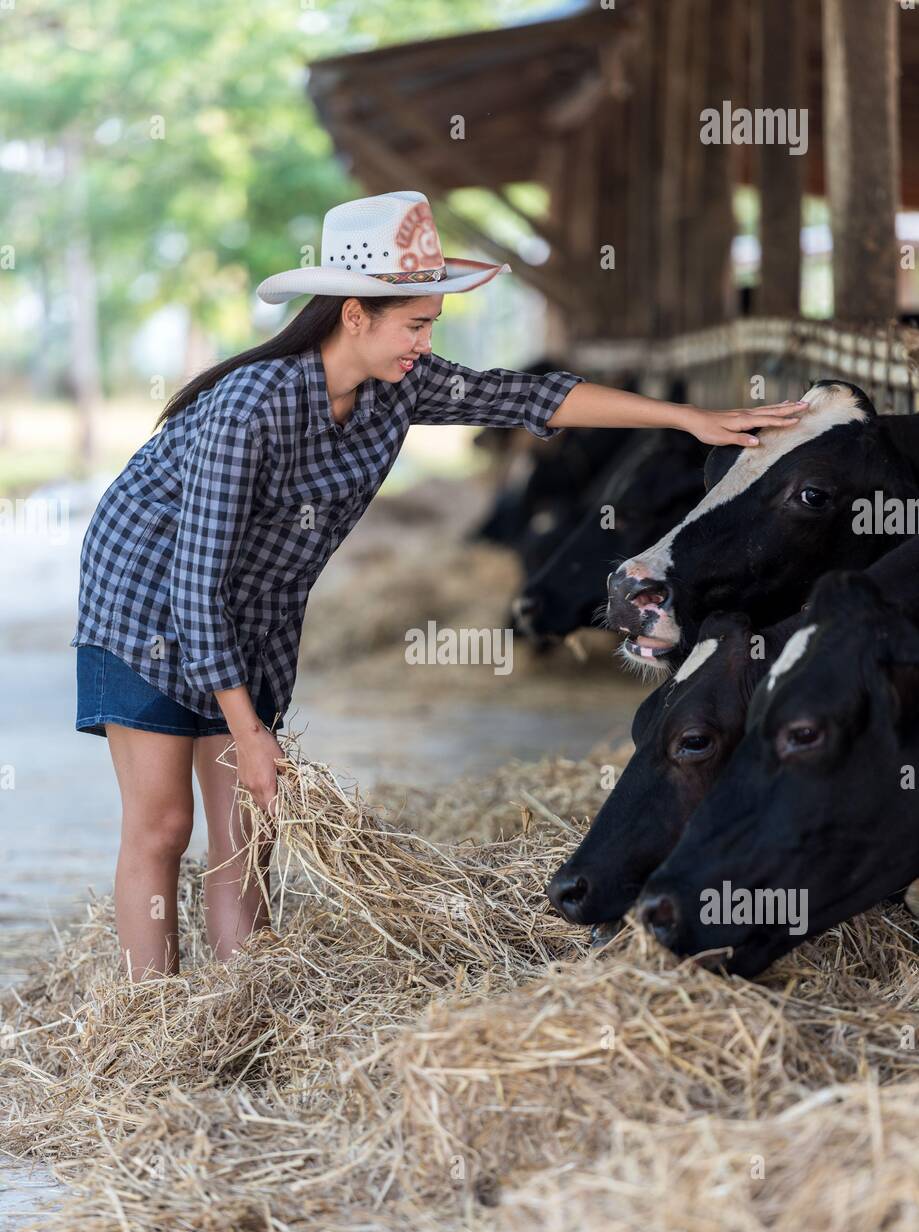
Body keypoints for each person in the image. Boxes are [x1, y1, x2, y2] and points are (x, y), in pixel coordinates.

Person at [71, 190, 808, 981]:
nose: (426, 343)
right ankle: (152, 1012)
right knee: (162, 824)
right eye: (415, 324)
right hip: (148, 600)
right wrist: (247, 732)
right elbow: (196, 581)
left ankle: (238, 998)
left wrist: (686, 419)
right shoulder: (252, 406)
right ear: (354, 315)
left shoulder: (397, 386)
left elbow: (532, 397)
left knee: (250, 826)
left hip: (252, 605)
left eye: (432, 324)